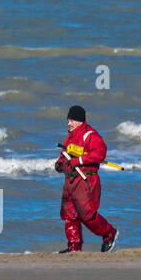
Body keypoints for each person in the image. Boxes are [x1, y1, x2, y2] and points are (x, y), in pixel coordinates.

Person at [55, 105, 119, 253]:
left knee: (87, 214)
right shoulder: (70, 136)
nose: (69, 123)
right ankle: (74, 247)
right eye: (68, 120)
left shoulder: (90, 135)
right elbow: (65, 153)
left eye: (71, 120)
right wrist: (60, 164)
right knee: (69, 215)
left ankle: (109, 234)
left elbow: (100, 153)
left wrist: (79, 161)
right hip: (70, 182)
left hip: (86, 180)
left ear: (79, 121)